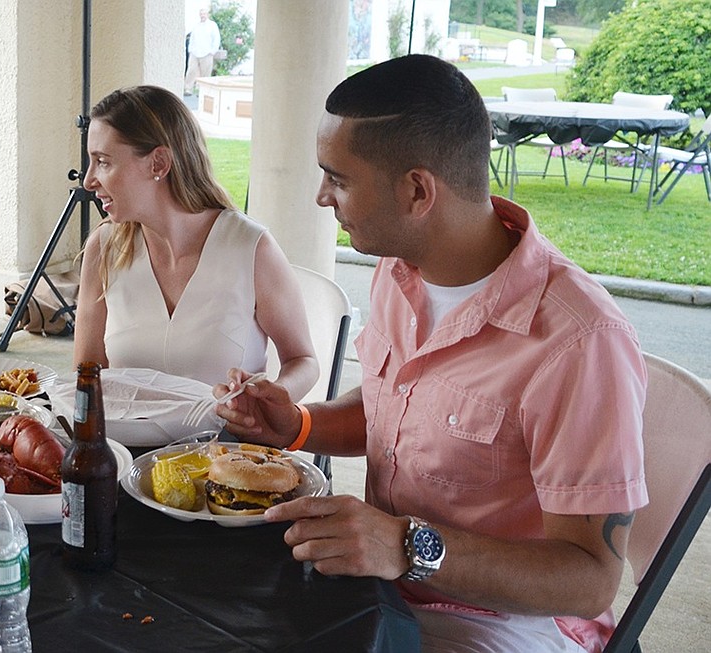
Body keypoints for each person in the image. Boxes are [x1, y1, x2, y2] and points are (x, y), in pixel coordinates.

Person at [216, 55, 647, 653]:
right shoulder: (399, 272)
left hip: (506, 622)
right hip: (382, 591)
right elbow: (395, 410)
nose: (321, 197)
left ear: (418, 190)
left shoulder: (579, 340)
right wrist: (298, 425)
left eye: (337, 178)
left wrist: (405, 545)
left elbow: (589, 579)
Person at [74, 85, 318, 399]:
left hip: (224, 444)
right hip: (125, 445)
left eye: (103, 161)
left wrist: (270, 398)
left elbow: (303, 361)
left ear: (158, 163)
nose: (88, 180)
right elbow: (86, 373)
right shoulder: (104, 248)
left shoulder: (251, 248)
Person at [184, 7, 221, 96]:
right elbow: (192, 38)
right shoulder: (196, 25)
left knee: (205, 73)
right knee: (191, 70)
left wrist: (213, 51)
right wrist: (190, 50)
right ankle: (188, 89)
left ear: (207, 15)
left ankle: (203, 91)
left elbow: (216, 39)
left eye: (204, 14)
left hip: (207, 53)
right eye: (201, 14)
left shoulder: (212, 25)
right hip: (195, 52)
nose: (202, 16)